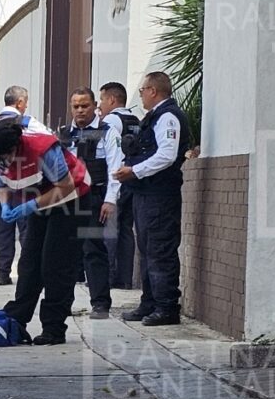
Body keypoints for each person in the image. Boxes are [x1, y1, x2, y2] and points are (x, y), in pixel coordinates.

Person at [0, 115, 91, 345]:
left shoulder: (43, 149)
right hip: (41, 200)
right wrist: (5, 206)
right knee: (29, 261)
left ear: (15, 148)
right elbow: (1, 184)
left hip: (72, 199)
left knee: (55, 263)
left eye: (4, 159)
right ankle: (16, 318)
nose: (1, 164)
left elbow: (66, 186)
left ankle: (54, 328)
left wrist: (30, 206)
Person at [112, 72, 191, 326]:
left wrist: (134, 170)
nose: (141, 95)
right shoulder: (155, 116)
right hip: (145, 193)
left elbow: (167, 156)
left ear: (154, 91)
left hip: (160, 195)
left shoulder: (168, 117)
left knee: (160, 250)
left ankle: (167, 307)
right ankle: (150, 304)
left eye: (143, 90)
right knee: (147, 250)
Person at [0, 86, 50, 285]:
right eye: (26, 102)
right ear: (20, 102)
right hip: (21, 181)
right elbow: (49, 142)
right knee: (27, 229)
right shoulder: (27, 122)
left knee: (3, 229)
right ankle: (28, 273)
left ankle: (2, 274)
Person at [58, 88, 123, 320]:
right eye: (75, 106)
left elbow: (114, 168)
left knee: (92, 249)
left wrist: (110, 200)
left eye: (84, 106)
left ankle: (100, 304)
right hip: (68, 200)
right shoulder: (64, 135)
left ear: (94, 105)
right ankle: (62, 303)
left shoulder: (108, 132)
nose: (79, 110)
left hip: (94, 199)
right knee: (65, 252)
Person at [98, 82, 141, 289]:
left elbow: (108, 152)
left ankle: (107, 276)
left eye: (102, 100)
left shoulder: (111, 120)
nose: (100, 105)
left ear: (111, 100)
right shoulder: (136, 120)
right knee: (125, 229)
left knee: (110, 228)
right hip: (133, 179)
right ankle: (125, 279)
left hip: (117, 178)